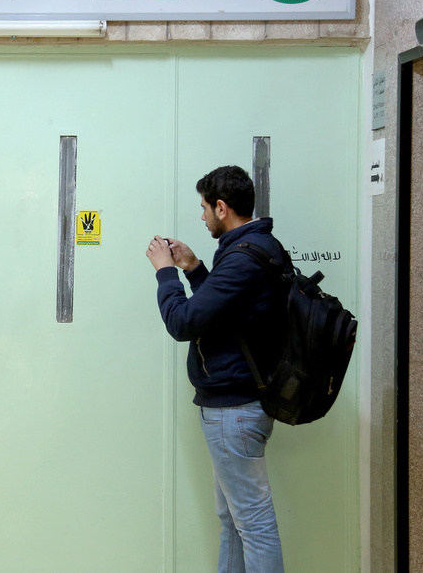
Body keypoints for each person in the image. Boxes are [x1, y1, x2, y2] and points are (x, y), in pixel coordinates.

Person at [145, 165, 286, 573]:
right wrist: (194, 269)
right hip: (239, 406)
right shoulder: (256, 247)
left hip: (234, 411)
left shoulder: (242, 259)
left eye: (205, 208)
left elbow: (183, 323)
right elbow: (228, 314)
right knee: (234, 520)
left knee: (253, 523)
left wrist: (166, 272)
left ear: (222, 208)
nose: (202, 216)